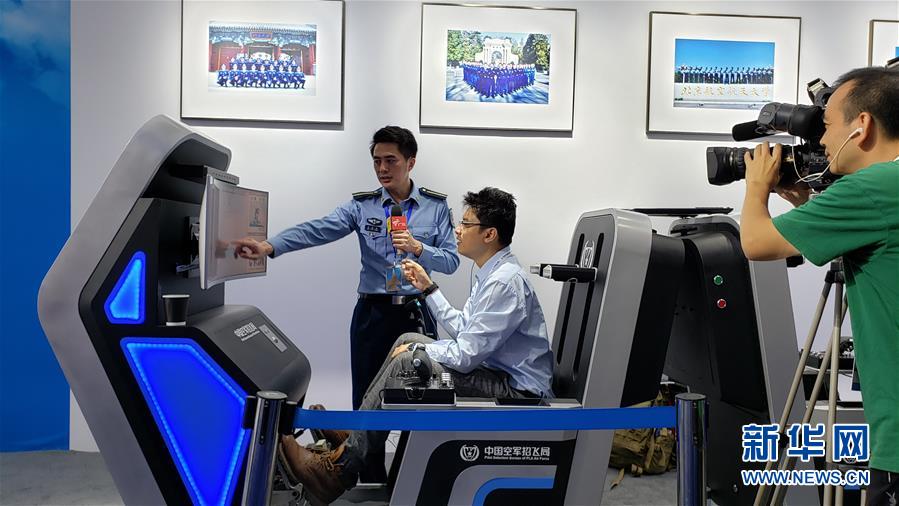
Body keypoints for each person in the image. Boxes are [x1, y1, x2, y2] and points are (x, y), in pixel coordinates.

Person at [279, 187, 555, 504]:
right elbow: (465, 329)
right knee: (407, 340)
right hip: (495, 374)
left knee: (408, 359)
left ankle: (339, 469)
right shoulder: (489, 272)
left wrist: (419, 353)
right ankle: (357, 437)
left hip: (517, 392)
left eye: (466, 224)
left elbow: (465, 355)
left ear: (490, 234)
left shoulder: (505, 281)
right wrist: (428, 287)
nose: (457, 230)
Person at [235, 126, 459, 481]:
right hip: (373, 314)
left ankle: (412, 477)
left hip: (417, 314)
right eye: (377, 161)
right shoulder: (363, 205)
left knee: (418, 396)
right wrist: (270, 246)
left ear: (410, 162)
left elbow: (451, 261)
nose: (383, 169)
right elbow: (318, 229)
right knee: (368, 396)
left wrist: (419, 248)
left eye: (391, 161)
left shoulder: (435, 207)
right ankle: (369, 478)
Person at [739, 66, 899, 505]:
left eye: (826, 127)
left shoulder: (872, 187)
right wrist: (808, 205)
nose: (822, 142)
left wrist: (757, 188)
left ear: (861, 125)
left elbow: (756, 243)